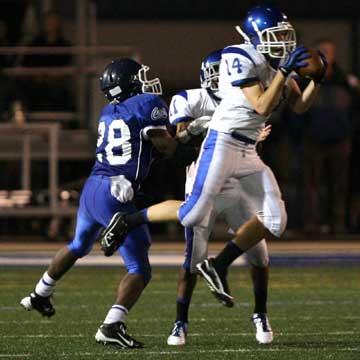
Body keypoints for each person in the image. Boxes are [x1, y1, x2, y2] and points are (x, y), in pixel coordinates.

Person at [98, 4, 325, 318]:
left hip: (248, 150)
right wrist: (285, 71)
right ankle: (129, 220)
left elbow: (298, 106)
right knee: (192, 216)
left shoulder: (275, 66)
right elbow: (261, 106)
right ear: (256, 35)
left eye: (287, 35)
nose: (283, 42)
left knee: (277, 220)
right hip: (223, 142)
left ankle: (218, 265)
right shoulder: (239, 55)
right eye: (276, 35)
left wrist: (317, 80)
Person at [20, 58, 187, 349]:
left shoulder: (108, 110)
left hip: (94, 186)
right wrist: (188, 136)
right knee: (140, 269)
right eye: (139, 77)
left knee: (77, 245)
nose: (146, 81)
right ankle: (112, 324)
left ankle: (39, 292)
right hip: (117, 191)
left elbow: (141, 147)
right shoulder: (147, 104)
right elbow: (166, 147)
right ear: (129, 83)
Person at [166, 49, 274, 346]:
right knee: (192, 260)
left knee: (260, 255)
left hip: (239, 185)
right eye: (213, 73)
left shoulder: (247, 96)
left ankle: (260, 313)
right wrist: (198, 129)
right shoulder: (190, 99)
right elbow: (179, 150)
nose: (218, 78)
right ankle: (180, 321)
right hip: (204, 185)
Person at [301, 39, 354, 234]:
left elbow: (354, 108)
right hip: (313, 139)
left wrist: (348, 130)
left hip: (340, 139)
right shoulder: (306, 77)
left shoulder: (345, 80)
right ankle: (311, 225)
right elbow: (297, 108)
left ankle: (338, 225)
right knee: (312, 185)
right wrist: (303, 132)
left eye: (330, 51)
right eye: (322, 51)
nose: (327, 55)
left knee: (339, 185)